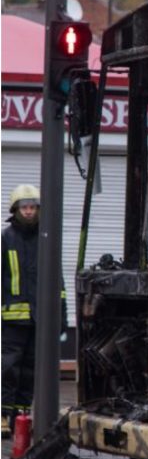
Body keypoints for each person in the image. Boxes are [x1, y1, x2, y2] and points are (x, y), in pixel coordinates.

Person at [1, 185, 67, 436]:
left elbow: (57, 282)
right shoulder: (6, 239)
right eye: (24, 207)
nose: (29, 212)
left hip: (39, 318)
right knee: (8, 367)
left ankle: (20, 416)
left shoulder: (47, 239)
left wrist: (60, 316)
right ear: (15, 210)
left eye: (32, 207)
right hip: (11, 320)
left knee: (30, 370)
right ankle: (3, 415)